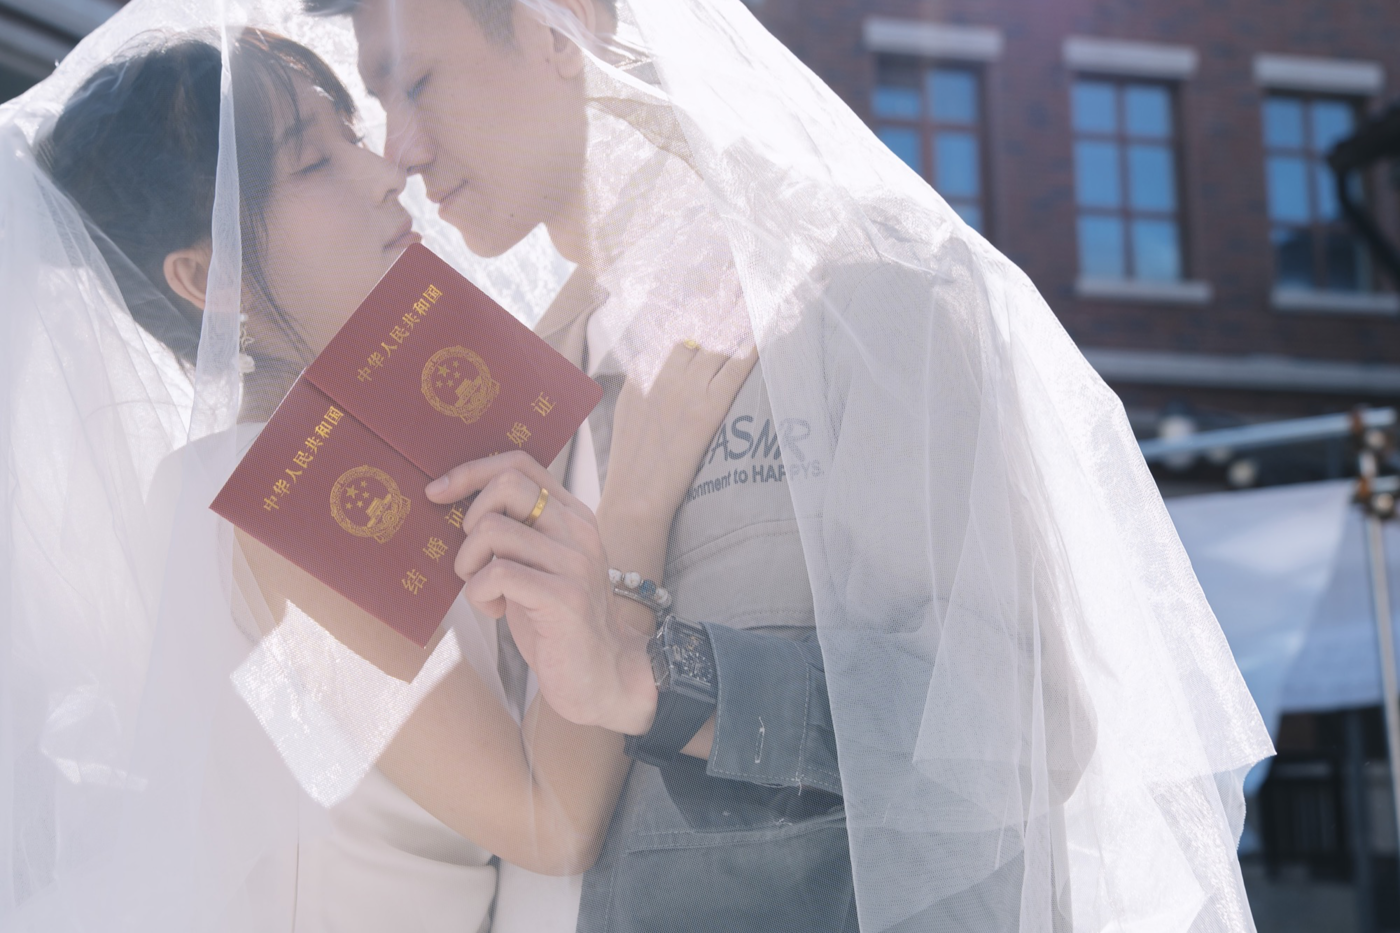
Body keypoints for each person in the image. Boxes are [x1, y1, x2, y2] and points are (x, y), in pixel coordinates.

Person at [313, 0, 1275, 931]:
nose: (400, 149)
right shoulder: (516, 388)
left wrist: (662, 679)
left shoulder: (863, 292)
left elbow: (1015, 725)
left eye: (418, 83)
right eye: (378, 102)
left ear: (562, 26)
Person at [3, 21, 748, 932]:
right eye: (316, 162)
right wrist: (635, 501)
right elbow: (547, 821)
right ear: (209, 277)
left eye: (351, 135)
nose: (385, 171)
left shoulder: (339, 453)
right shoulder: (270, 501)